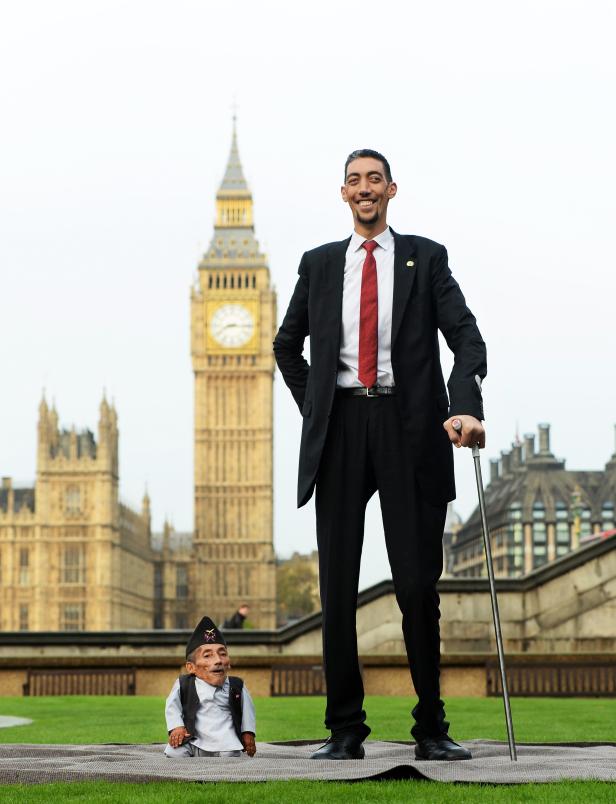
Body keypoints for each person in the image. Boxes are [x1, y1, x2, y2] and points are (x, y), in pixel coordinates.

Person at [273, 150, 486, 761]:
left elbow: (466, 337)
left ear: (391, 190)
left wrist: (465, 402)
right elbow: (288, 346)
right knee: (336, 587)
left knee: (418, 585)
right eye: (354, 181)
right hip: (341, 424)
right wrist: (316, 408)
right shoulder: (318, 265)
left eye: (374, 179)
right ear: (343, 194)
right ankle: (344, 729)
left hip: (410, 423)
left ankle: (431, 727)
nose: (364, 189)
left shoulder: (426, 257)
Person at [164, 615, 256, 758]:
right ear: (191, 667)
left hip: (226, 741)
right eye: (207, 656)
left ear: (229, 663)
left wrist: (248, 732)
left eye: (222, 654)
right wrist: (177, 727)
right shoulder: (184, 684)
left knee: (231, 757)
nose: (218, 660)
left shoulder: (237, 686)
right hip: (193, 739)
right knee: (174, 752)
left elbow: (248, 712)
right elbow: (172, 707)